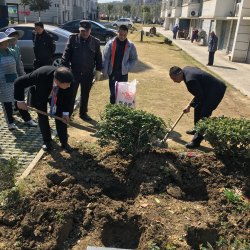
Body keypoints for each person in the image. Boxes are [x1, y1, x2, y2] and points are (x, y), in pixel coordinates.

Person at [14, 66, 74, 153]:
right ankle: (47, 140)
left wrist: (65, 113)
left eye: (69, 84)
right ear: (57, 81)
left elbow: (68, 98)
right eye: (67, 84)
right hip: (40, 95)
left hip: (58, 96)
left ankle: (64, 142)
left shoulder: (69, 81)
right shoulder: (40, 74)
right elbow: (18, 82)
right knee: (42, 117)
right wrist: (20, 100)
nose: (69, 86)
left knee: (61, 118)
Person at [169, 66, 226, 149]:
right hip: (207, 90)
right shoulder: (186, 69)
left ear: (180, 73)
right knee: (198, 107)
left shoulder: (190, 80)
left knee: (204, 113)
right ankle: (196, 129)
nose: (174, 81)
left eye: (174, 78)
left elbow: (199, 95)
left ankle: (196, 141)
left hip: (216, 91)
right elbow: (197, 69)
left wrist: (189, 106)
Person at [61, 20, 102, 121]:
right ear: (79, 30)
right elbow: (66, 55)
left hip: (87, 73)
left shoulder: (95, 42)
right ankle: (68, 114)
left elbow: (99, 58)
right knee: (71, 94)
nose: (84, 33)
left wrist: (98, 70)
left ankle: (83, 113)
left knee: (85, 94)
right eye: (82, 30)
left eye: (86, 30)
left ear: (90, 30)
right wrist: (64, 70)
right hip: (74, 72)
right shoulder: (73, 39)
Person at [0, 32, 37, 130]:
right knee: (6, 103)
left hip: (14, 80)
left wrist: (24, 78)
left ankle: (28, 119)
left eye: (7, 41)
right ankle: (10, 122)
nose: (5, 43)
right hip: (2, 82)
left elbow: (19, 66)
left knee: (19, 100)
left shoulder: (13, 51)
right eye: (3, 42)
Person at [102, 25, 138, 104]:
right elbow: (106, 58)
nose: (122, 37)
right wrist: (104, 72)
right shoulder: (110, 43)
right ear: (117, 32)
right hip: (112, 73)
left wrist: (128, 68)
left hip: (123, 74)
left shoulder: (130, 45)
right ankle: (112, 111)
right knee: (112, 94)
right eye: (121, 34)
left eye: (125, 35)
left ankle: (120, 112)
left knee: (122, 94)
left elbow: (134, 59)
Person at [5, 28, 26, 115]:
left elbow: (19, 63)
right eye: (13, 37)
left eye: (17, 37)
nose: (15, 40)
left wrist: (22, 76)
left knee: (18, 90)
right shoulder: (4, 48)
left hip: (15, 73)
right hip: (6, 74)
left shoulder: (17, 48)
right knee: (8, 94)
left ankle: (17, 108)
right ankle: (9, 113)